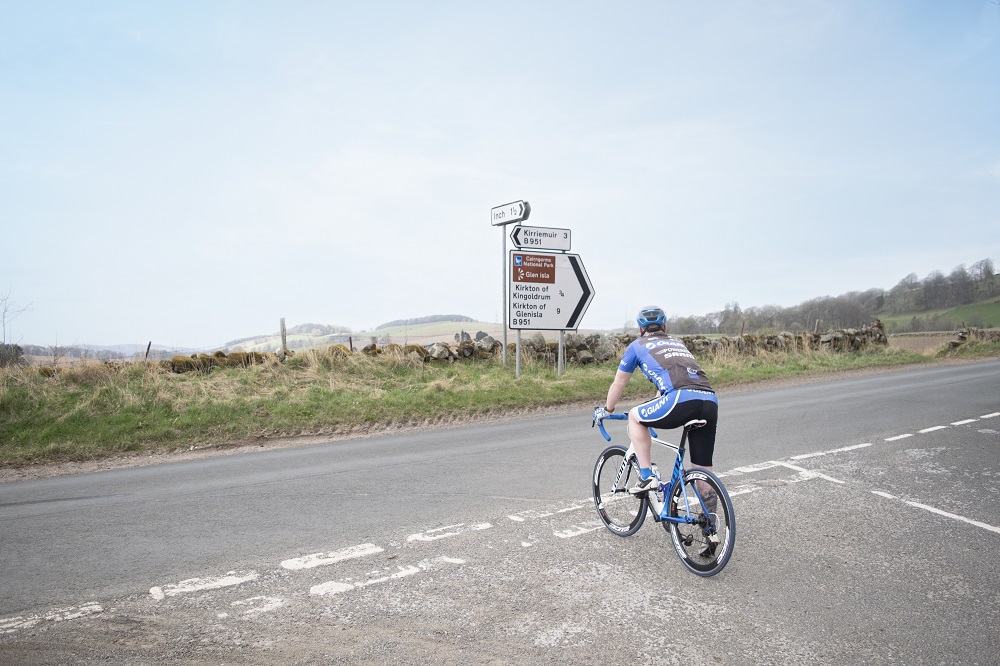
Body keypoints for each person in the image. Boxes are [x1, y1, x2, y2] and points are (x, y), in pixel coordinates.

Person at [594, 305, 719, 499]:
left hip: (680, 398)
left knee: (635, 416)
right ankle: (711, 522)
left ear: (640, 329)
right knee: (703, 469)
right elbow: (674, 378)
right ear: (665, 327)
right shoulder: (677, 344)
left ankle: (647, 477)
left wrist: (607, 409)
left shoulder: (637, 345)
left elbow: (619, 382)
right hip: (709, 400)